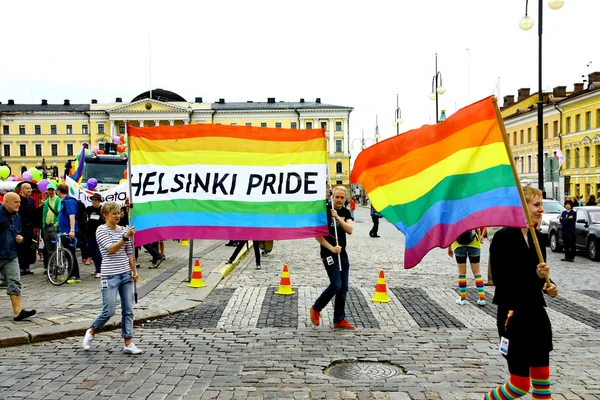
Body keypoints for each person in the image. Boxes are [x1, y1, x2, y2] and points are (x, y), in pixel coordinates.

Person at [485, 185, 558, 399]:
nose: (541, 209)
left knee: (543, 382)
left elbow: (539, 272)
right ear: (521, 207)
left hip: (537, 313)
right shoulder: (503, 238)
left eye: (541, 205)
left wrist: (549, 285)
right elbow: (503, 282)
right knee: (519, 385)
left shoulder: (537, 237)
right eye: (536, 205)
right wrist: (534, 275)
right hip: (514, 316)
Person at [82, 202, 141, 354]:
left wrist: (133, 272)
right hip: (110, 275)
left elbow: (129, 254)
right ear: (105, 215)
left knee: (128, 309)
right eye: (113, 213)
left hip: (125, 275)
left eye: (119, 213)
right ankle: (92, 331)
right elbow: (111, 249)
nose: (117, 216)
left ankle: (128, 341)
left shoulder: (125, 230)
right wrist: (125, 237)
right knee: (109, 310)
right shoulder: (101, 230)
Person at [310, 186, 355, 329]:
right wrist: (331, 248)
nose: (339, 200)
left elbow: (350, 230)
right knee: (336, 284)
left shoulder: (346, 212)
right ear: (332, 197)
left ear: (345, 198)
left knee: (343, 288)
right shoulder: (324, 212)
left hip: (343, 253)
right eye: (337, 197)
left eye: (342, 197)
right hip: (329, 253)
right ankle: (316, 308)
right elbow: (318, 235)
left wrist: (338, 218)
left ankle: (339, 319)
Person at [0, 192, 36, 321]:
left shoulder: (17, 217)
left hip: (10, 255)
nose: (19, 205)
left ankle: (17, 312)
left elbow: (16, 233)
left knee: (15, 281)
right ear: (7, 202)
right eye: (16, 202)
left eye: (19, 202)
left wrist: (19, 239)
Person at [447, 228, 486, 306]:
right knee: (477, 273)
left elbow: (451, 232)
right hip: (474, 245)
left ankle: (463, 298)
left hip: (459, 245)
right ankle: (482, 299)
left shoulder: (456, 217)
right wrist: (480, 238)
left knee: (462, 274)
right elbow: (478, 230)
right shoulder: (472, 216)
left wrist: (449, 248)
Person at [56, 183, 81, 283]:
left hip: (69, 232)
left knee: (71, 253)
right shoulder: (65, 201)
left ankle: (75, 275)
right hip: (64, 230)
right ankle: (70, 274)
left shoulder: (69, 201)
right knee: (67, 254)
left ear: (59, 191)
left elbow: (72, 216)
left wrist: (72, 230)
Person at [41, 183, 61, 270]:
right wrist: (43, 226)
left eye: (52, 190)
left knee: (56, 248)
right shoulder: (46, 202)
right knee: (48, 249)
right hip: (46, 227)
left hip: (54, 227)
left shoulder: (58, 200)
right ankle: (51, 267)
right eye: (49, 190)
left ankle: (57, 266)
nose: (50, 192)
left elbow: (59, 212)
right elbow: (43, 215)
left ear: (55, 190)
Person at [17, 183, 35, 275]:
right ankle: (21, 267)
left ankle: (27, 267)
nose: (29, 190)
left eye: (30, 188)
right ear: (22, 190)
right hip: (21, 227)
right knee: (21, 247)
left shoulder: (31, 200)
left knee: (28, 247)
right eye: (27, 189)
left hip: (29, 227)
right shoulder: (18, 200)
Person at [86, 193, 105, 278]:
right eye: (93, 200)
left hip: (100, 235)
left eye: (95, 200)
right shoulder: (89, 209)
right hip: (90, 234)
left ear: (99, 201)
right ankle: (97, 268)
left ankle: (100, 270)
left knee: (98, 253)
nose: (94, 202)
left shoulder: (102, 210)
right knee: (91, 252)